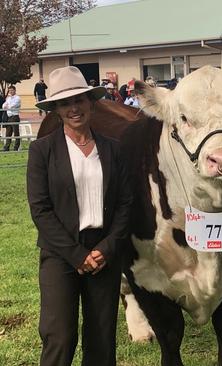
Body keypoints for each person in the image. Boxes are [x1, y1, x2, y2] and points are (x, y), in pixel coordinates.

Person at [27, 66, 132, 366]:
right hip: (60, 253)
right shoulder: (42, 152)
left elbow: (126, 204)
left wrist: (106, 249)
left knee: (101, 339)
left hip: (103, 253)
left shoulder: (113, 149)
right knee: (59, 336)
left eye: (79, 100)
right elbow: (40, 210)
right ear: (56, 110)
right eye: (64, 103)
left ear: (91, 102)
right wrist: (76, 255)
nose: (74, 108)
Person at [2, 85, 21, 151]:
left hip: (15, 117)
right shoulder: (8, 98)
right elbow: (4, 105)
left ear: (15, 90)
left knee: (16, 133)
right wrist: (6, 106)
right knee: (8, 133)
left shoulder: (18, 98)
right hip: (9, 117)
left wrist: (8, 106)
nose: (10, 91)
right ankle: (6, 148)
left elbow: (13, 105)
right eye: (9, 90)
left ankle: (16, 147)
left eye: (12, 90)